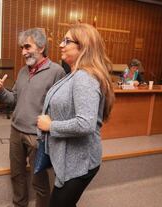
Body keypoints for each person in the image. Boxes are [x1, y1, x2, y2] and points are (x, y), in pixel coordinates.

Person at [37, 23, 115, 207]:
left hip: (80, 161)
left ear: (83, 47)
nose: (61, 45)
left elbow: (85, 124)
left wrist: (51, 126)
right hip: (70, 157)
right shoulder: (75, 74)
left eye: (67, 41)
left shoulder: (83, 78)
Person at [0, 28, 65, 207]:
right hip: (16, 131)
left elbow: (61, 108)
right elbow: (13, 100)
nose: (23, 52)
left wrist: (49, 130)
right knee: (17, 175)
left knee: (39, 181)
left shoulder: (57, 71)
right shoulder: (23, 71)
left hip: (37, 136)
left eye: (27, 47)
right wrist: (0, 91)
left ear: (41, 47)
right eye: (21, 48)